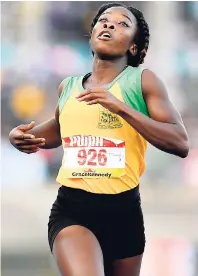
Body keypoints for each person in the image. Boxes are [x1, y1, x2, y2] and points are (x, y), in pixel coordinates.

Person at [9, 3, 189, 276]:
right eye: (103, 20)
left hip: (125, 213)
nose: (109, 25)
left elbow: (180, 142)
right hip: (73, 210)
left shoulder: (143, 82)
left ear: (133, 47)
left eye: (122, 24)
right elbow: (59, 129)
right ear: (91, 34)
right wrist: (22, 136)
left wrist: (122, 108)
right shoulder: (68, 86)